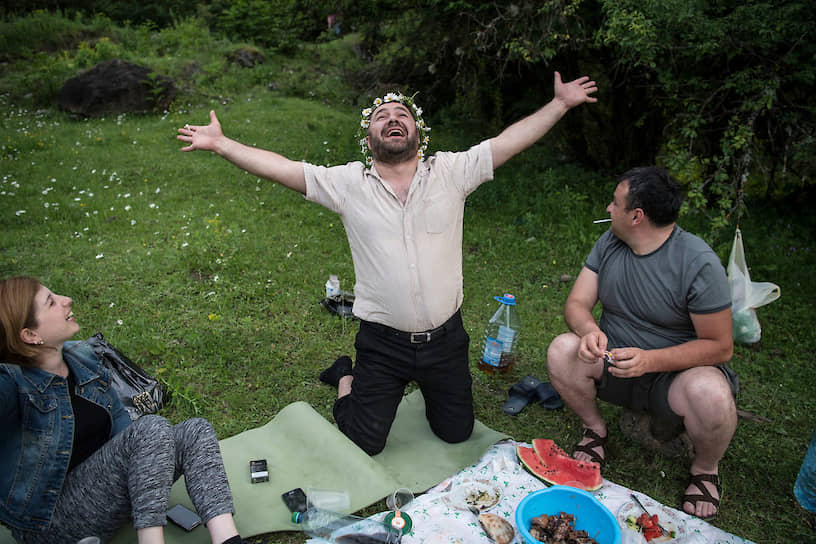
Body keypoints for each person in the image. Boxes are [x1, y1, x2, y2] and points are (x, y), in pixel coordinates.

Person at [177, 72, 597, 456]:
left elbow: (510, 141)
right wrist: (220, 143)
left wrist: (560, 104)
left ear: (417, 132)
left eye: (402, 114)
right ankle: (346, 376)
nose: (393, 119)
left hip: (446, 343)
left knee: (457, 433)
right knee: (363, 442)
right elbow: (283, 168)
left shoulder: (452, 172)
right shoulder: (346, 185)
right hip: (382, 344)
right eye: (381, 116)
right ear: (369, 136)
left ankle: (412, 389)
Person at [545, 167, 738, 520]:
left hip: (674, 377)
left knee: (713, 393)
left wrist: (651, 360)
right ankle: (595, 430)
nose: (607, 209)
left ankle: (705, 469)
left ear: (637, 216)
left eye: (615, 203)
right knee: (561, 349)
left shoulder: (698, 263)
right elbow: (576, 303)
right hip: (612, 360)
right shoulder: (609, 243)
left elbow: (720, 346)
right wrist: (588, 330)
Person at [0, 277, 247, 544]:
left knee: (195, 430)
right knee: (151, 428)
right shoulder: (12, 384)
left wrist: (149, 467)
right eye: (51, 302)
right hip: (52, 522)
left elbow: (124, 433)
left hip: (105, 496)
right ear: (30, 335)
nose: (66, 300)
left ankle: (228, 540)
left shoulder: (84, 359)